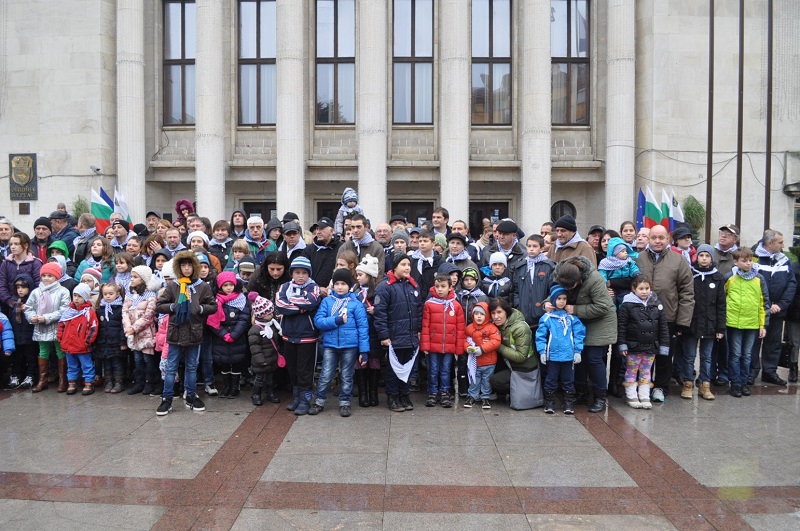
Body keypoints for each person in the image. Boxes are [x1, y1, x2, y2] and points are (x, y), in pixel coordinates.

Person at [549, 256, 617, 412]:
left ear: (579, 279)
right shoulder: (561, 275)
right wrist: (549, 302)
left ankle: (600, 397)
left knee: (593, 359)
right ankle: (581, 393)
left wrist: (576, 310)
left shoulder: (594, 278)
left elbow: (603, 306)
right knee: (579, 358)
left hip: (599, 322)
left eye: (571, 286)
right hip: (578, 322)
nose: (569, 289)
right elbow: (555, 292)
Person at [634, 225, 694, 402]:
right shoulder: (638, 259)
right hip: (641, 318)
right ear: (648, 239)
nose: (658, 241)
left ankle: (660, 387)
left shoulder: (678, 260)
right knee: (643, 355)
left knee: (664, 355)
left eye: (661, 238)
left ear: (668, 239)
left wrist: (683, 320)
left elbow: (687, 292)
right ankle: (643, 386)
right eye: (654, 238)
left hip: (668, 317)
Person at [155, 251, 217, 415]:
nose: (187, 268)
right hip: (175, 331)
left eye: (190, 265)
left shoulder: (202, 286)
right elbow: (160, 304)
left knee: (191, 367)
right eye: (183, 265)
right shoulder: (173, 285)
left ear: (194, 266)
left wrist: (201, 309)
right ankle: (166, 399)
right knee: (170, 368)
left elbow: (213, 305)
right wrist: (173, 307)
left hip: (194, 331)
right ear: (178, 267)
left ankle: (191, 395)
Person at [310, 268, 370, 417]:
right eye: (337, 283)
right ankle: (319, 401)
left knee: (347, 375)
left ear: (349, 285)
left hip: (350, 346)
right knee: (325, 374)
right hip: (330, 344)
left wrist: (364, 351)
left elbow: (363, 328)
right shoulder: (327, 301)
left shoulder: (355, 304)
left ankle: (345, 402)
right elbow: (319, 321)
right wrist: (336, 321)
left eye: (343, 283)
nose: (340, 287)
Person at [373, 253, 422, 412]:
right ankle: (392, 396)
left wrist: (419, 330)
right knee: (394, 369)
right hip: (394, 337)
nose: (407, 267)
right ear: (394, 267)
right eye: (403, 264)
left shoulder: (413, 286)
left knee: (407, 368)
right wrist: (384, 336)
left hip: (410, 336)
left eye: (408, 264)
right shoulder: (385, 287)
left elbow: (418, 310)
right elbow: (380, 314)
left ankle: (404, 394)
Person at [275, 256, 321, 415]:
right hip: (288, 334)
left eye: (304, 273)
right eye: (297, 272)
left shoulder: (313, 287)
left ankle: (306, 398)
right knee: (292, 368)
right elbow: (281, 304)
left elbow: (311, 302)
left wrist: (294, 303)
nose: (300, 276)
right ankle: (296, 395)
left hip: (307, 335)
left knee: (305, 369)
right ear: (292, 273)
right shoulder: (284, 287)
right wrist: (300, 307)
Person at [749, 230, 795, 386]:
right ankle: (751, 372)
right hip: (757, 311)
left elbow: (791, 284)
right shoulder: (753, 258)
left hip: (778, 310)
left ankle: (769, 372)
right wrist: (766, 306)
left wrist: (781, 305)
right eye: (780, 242)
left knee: (773, 343)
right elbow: (748, 284)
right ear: (770, 244)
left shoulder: (784, 260)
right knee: (753, 342)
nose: (783, 245)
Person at [617, 276, 669, 409]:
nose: (644, 291)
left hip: (651, 345)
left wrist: (663, 344)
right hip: (633, 345)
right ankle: (631, 394)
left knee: (646, 371)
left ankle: (644, 395)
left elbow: (663, 326)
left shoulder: (656, 304)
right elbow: (622, 326)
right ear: (634, 289)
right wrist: (622, 344)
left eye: (647, 288)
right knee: (632, 370)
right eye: (641, 289)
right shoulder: (627, 305)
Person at [681, 244, 725, 400]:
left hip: (710, 324)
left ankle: (704, 384)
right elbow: (684, 299)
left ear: (711, 258)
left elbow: (721, 304)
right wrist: (683, 323)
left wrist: (720, 327)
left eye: (707, 256)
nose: (704, 258)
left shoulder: (717, 277)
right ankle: (687, 384)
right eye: (701, 255)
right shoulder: (690, 275)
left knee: (707, 356)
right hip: (691, 322)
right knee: (689, 355)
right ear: (696, 257)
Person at [725, 248, 769, 398]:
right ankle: (735, 383)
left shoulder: (759, 279)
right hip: (734, 322)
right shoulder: (730, 278)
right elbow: (723, 296)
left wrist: (762, 325)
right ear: (736, 262)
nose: (748, 263)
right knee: (736, 354)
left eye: (750, 260)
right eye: (744, 261)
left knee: (747, 355)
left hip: (752, 323)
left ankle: (744, 383)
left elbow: (763, 303)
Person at [536, 285, 585, 414]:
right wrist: (542, 351)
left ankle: (568, 402)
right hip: (552, 356)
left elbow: (579, 334)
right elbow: (540, 336)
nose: (561, 301)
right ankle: (550, 402)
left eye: (564, 298)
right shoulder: (547, 318)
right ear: (552, 300)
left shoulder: (571, 318)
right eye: (558, 298)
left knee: (568, 380)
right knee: (551, 379)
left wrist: (578, 351)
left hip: (568, 356)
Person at [421, 272, 466, 408]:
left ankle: (445, 392)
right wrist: (425, 346)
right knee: (433, 369)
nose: (440, 289)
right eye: (437, 286)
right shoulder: (429, 304)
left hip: (449, 346)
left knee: (446, 369)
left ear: (450, 288)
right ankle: (433, 392)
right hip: (434, 345)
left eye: (443, 286)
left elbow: (460, 328)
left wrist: (459, 348)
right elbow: (425, 326)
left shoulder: (456, 305)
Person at [25, 262, 72, 393]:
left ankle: (63, 380)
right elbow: (29, 308)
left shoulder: (63, 291)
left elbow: (64, 309)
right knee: (43, 351)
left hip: (57, 326)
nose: (46, 278)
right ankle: (42, 380)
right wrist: (32, 317)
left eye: (50, 276)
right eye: (44, 275)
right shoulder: (36, 292)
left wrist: (47, 317)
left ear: (56, 277)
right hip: (40, 327)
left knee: (60, 351)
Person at [208, 272, 252, 398]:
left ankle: (235, 387)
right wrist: (223, 334)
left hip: (237, 338)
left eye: (231, 285)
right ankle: (226, 386)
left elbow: (244, 319)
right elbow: (213, 322)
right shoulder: (216, 300)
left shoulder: (241, 299)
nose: (228, 288)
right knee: (224, 363)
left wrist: (234, 335)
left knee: (236, 363)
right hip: (221, 339)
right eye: (225, 285)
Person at [487, 297, 536, 400]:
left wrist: (497, 345)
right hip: (509, 363)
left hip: (524, 368)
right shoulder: (497, 326)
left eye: (499, 312)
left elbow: (521, 356)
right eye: (493, 313)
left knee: (495, 381)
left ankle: (521, 391)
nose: (496, 316)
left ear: (507, 312)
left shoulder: (520, 327)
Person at [123, 266, 161, 395]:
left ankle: (149, 383)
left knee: (147, 360)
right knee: (137, 360)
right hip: (133, 335)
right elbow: (125, 312)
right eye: (131, 277)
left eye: (135, 277)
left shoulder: (150, 296)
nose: (132, 279)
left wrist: (134, 328)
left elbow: (148, 316)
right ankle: (138, 383)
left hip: (146, 334)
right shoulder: (129, 294)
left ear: (143, 279)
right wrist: (128, 327)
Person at [57, 283, 99, 395]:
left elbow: (93, 327)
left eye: (79, 296)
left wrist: (87, 341)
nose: (76, 298)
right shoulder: (68, 311)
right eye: (74, 295)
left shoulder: (88, 312)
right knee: (71, 365)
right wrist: (61, 338)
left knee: (87, 365)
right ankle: (72, 382)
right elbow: (62, 325)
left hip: (82, 346)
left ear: (85, 298)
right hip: (68, 345)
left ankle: (89, 382)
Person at [352, 254, 382, 407]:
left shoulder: (378, 292)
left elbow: (384, 310)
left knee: (374, 362)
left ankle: (373, 393)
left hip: (374, 332)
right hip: (359, 332)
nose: (357, 278)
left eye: (360, 274)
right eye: (357, 275)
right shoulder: (354, 292)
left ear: (369, 275)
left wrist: (375, 311)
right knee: (361, 361)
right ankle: (363, 393)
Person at [512, 234, 555, 329]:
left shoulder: (549, 266)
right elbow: (515, 290)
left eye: (535, 246)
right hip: (524, 314)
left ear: (542, 248)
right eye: (529, 246)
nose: (531, 249)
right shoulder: (520, 266)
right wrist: (518, 305)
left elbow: (552, 288)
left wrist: (547, 304)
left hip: (542, 314)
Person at [463, 302, 501, 409]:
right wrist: (467, 348)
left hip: (489, 361)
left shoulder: (491, 328)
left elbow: (496, 341)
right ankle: (472, 396)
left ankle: (485, 397)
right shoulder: (470, 328)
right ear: (473, 315)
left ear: (487, 315)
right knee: (474, 380)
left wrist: (483, 349)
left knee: (486, 381)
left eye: (482, 314)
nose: (479, 316)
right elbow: (464, 339)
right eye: (476, 314)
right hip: (475, 362)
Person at [248, 292, 282, 405]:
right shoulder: (255, 330)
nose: (272, 315)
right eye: (269, 314)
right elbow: (255, 348)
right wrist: (261, 360)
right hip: (261, 361)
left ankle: (270, 393)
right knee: (259, 379)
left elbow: (276, 341)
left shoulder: (272, 325)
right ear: (261, 315)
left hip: (271, 358)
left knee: (270, 379)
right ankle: (256, 394)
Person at [93, 283, 127, 393]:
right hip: (104, 342)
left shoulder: (120, 308)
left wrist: (123, 341)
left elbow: (123, 326)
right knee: (106, 363)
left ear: (117, 294)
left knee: (117, 362)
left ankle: (119, 382)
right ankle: (108, 382)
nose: (107, 296)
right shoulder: (100, 309)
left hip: (116, 341)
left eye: (110, 294)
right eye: (105, 294)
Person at [0, 232, 42, 314]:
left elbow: (38, 285)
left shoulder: (35, 263)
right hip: (9, 306)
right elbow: (2, 285)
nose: (12, 247)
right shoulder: (6, 263)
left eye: (16, 244)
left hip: (31, 307)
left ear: (26, 245)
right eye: (11, 244)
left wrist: (29, 303)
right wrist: (10, 301)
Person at [7, 275, 37, 389]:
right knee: (17, 357)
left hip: (29, 336)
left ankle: (30, 376)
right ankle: (16, 375)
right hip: (16, 335)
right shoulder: (13, 302)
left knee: (30, 357)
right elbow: (11, 318)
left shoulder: (31, 302)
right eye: (18, 287)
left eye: (24, 287)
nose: (20, 290)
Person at [338, 214, 385, 278]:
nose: (355, 230)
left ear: (366, 227)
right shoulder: (344, 247)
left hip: (370, 286)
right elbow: (338, 271)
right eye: (353, 227)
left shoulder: (377, 248)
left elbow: (379, 274)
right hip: (347, 285)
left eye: (358, 227)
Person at [598, 237, 640, 307]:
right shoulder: (606, 263)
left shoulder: (628, 261)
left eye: (626, 250)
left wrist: (636, 273)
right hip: (611, 288)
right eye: (622, 251)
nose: (626, 252)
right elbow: (602, 273)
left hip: (625, 288)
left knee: (625, 301)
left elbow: (633, 268)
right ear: (615, 253)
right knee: (611, 302)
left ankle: (623, 313)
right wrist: (605, 283)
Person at [303, 217, 341, 294]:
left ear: (331, 231)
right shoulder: (309, 250)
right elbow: (303, 271)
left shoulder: (341, 248)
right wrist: (317, 288)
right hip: (312, 292)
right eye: (317, 229)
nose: (318, 232)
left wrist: (332, 287)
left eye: (321, 229)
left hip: (336, 292)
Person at [409, 229, 441, 301]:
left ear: (433, 243)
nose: (422, 243)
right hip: (414, 298)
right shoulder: (412, 260)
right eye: (420, 241)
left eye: (425, 241)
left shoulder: (438, 261)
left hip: (433, 299)